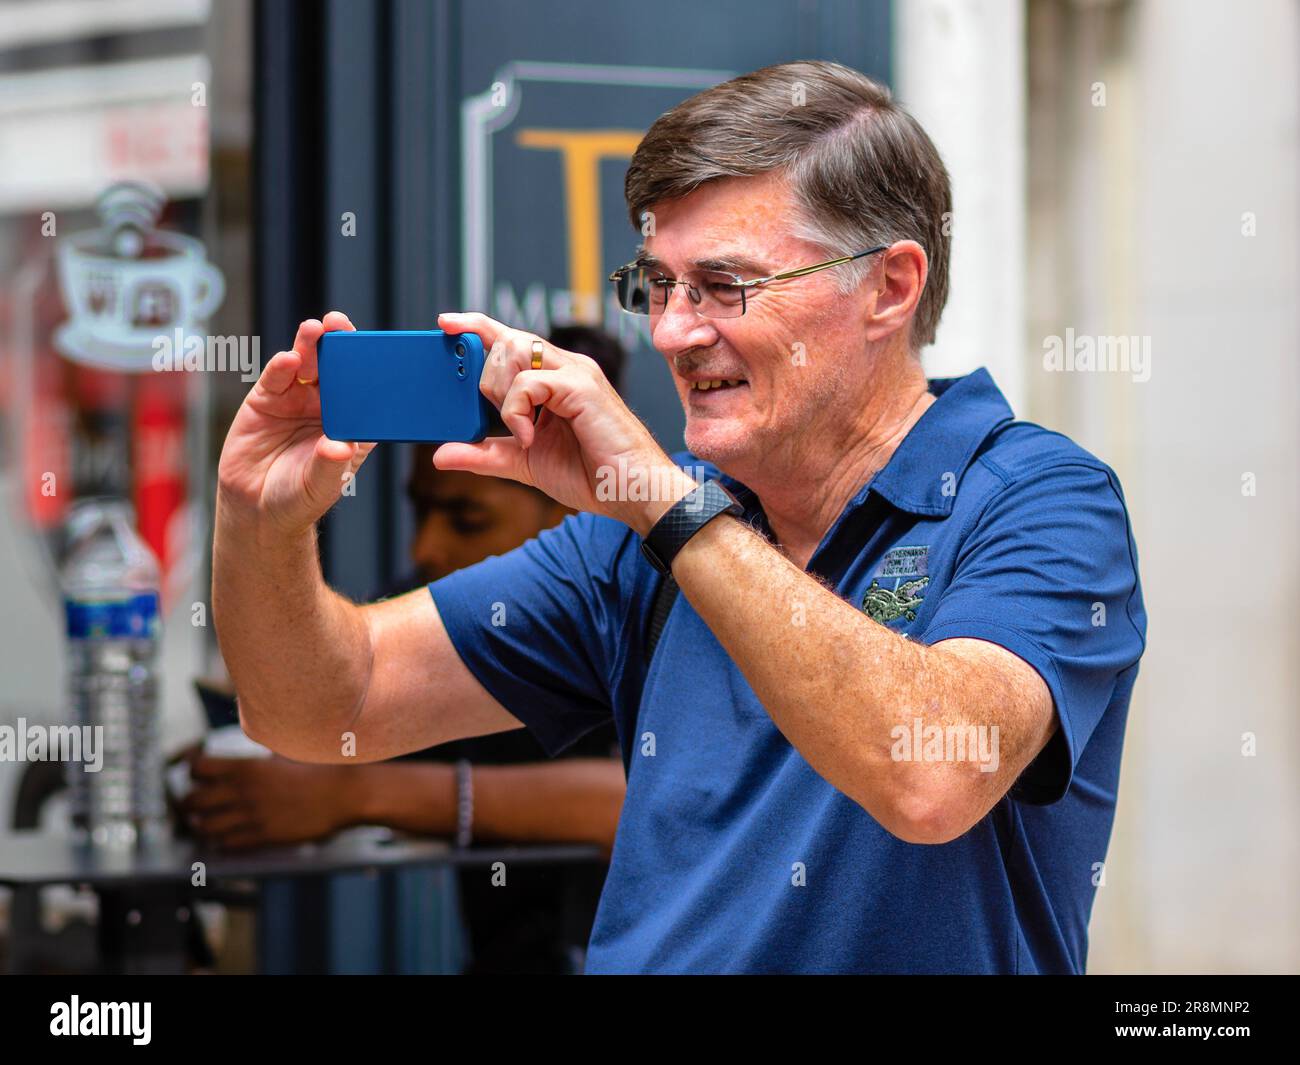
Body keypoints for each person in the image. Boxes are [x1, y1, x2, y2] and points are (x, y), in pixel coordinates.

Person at [213, 61, 1146, 974]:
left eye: (724, 285)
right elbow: (324, 704)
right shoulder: (646, 532)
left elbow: (932, 776)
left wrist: (663, 504)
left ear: (890, 287)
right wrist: (262, 523)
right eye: (658, 285)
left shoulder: (1037, 497)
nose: (670, 332)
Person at [187, 327, 627, 973]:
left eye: (467, 518)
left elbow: (634, 798)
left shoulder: (637, 575)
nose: (426, 547)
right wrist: (261, 521)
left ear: (572, 511)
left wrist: (361, 793)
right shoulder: (444, 592)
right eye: (419, 512)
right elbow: (333, 698)